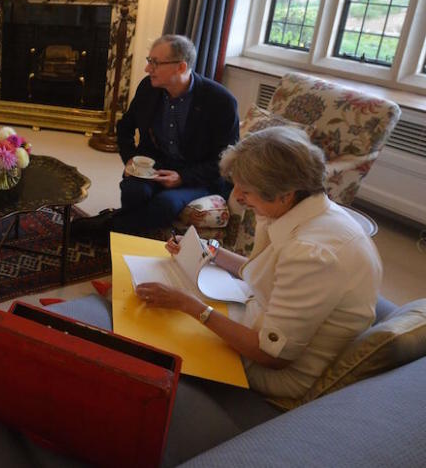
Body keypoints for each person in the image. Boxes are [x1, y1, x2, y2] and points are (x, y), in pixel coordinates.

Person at [135, 126, 382, 398]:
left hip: (280, 373)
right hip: (255, 316)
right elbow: (263, 272)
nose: (238, 197)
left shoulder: (312, 255)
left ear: (284, 194)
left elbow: (272, 356)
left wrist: (189, 305)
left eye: (246, 190)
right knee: (159, 312)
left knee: (155, 334)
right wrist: (210, 251)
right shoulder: (302, 211)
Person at [72, 34, 239, 240]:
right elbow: (124, 127)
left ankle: (107, 228)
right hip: (156, 164)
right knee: (134, 190)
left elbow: (225, 160)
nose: (147, 69)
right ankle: (124, 231)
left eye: (155, 63)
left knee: (166, 203)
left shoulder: (220, 101)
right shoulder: (148, 88)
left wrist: (182, 178)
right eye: (149, 61)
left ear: (180, 67)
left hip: (198, 176)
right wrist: (130, 158)